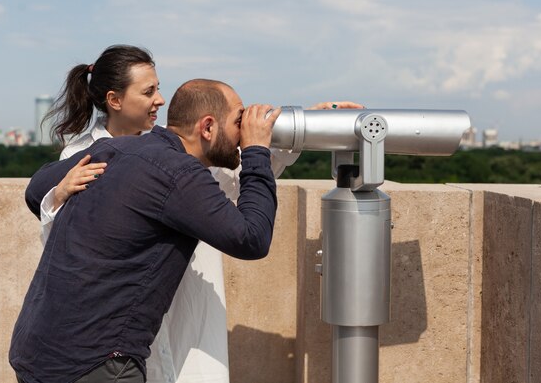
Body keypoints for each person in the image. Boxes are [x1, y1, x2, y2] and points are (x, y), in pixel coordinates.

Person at [38, 45, 365, 383]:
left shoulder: (180, 151)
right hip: (111, 331)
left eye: (159, 88)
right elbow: (62, 239)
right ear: (115, 100)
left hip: (183, 312)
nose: (160, 100)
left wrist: (311, 122)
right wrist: (57, 194)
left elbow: (239, 175)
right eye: (149, 91)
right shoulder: (82, 156)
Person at [10, 79, 282, 383]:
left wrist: (62, 188)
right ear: (207, 127)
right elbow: (252, 239)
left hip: (36, 352)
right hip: (96, 365)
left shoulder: (114, 147)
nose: (241, 136)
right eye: (238, 122)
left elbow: (35, 190)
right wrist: (257, 151)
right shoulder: (181, 172)